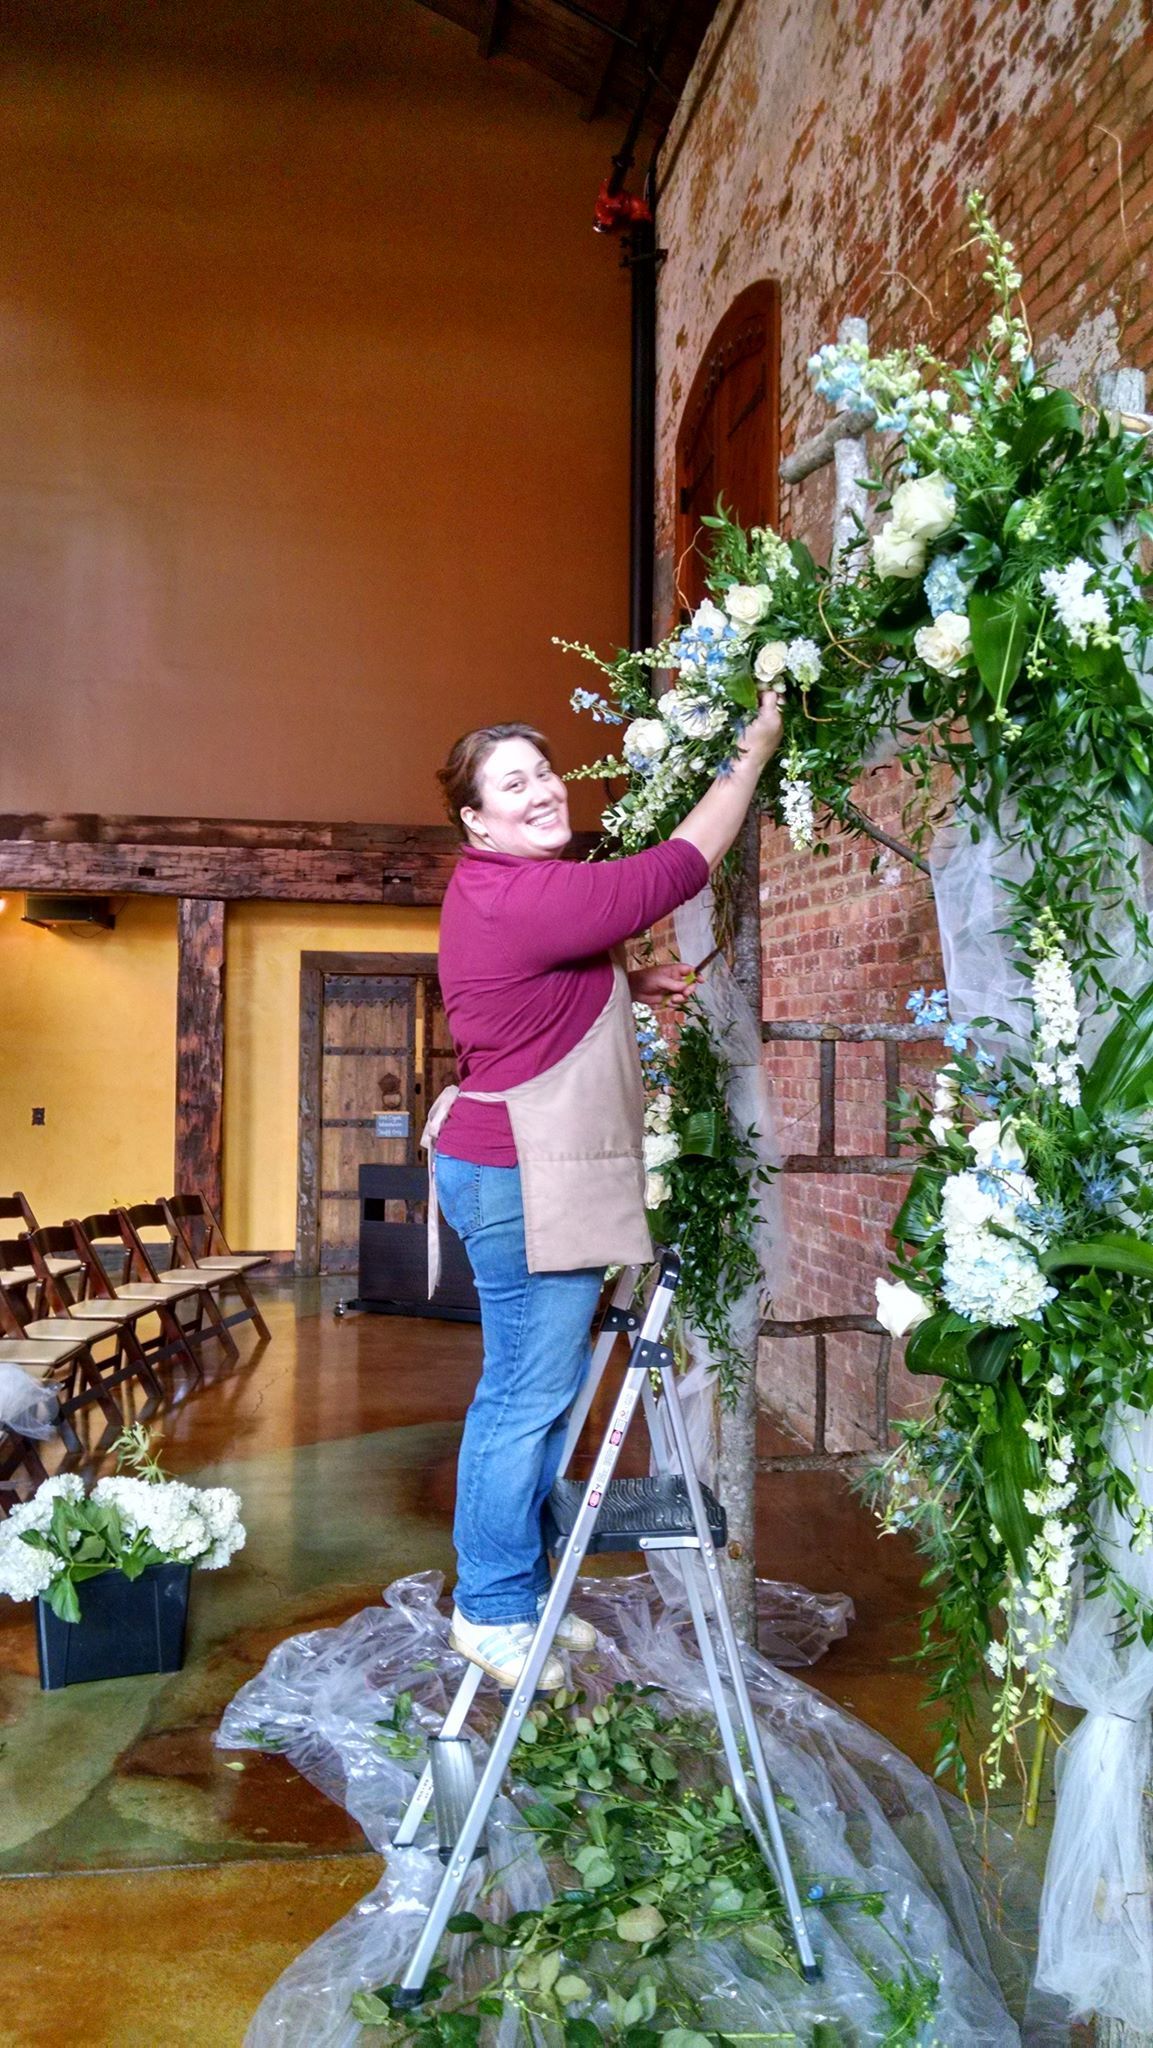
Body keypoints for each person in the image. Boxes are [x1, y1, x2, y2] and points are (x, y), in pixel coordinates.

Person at [424, 692, 783, 1689]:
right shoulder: (523, 892)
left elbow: (543, 985)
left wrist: (622, 982)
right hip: (519, 1177)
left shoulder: (513, 890)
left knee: (541, 1399)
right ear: (475, 819)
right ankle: (490, 1605)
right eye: (511, 782)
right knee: (522, 1396)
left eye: (543, 771)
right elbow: (674, 869)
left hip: (524, 1168)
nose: (539, 790)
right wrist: (746, 760)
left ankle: (520, 1590)